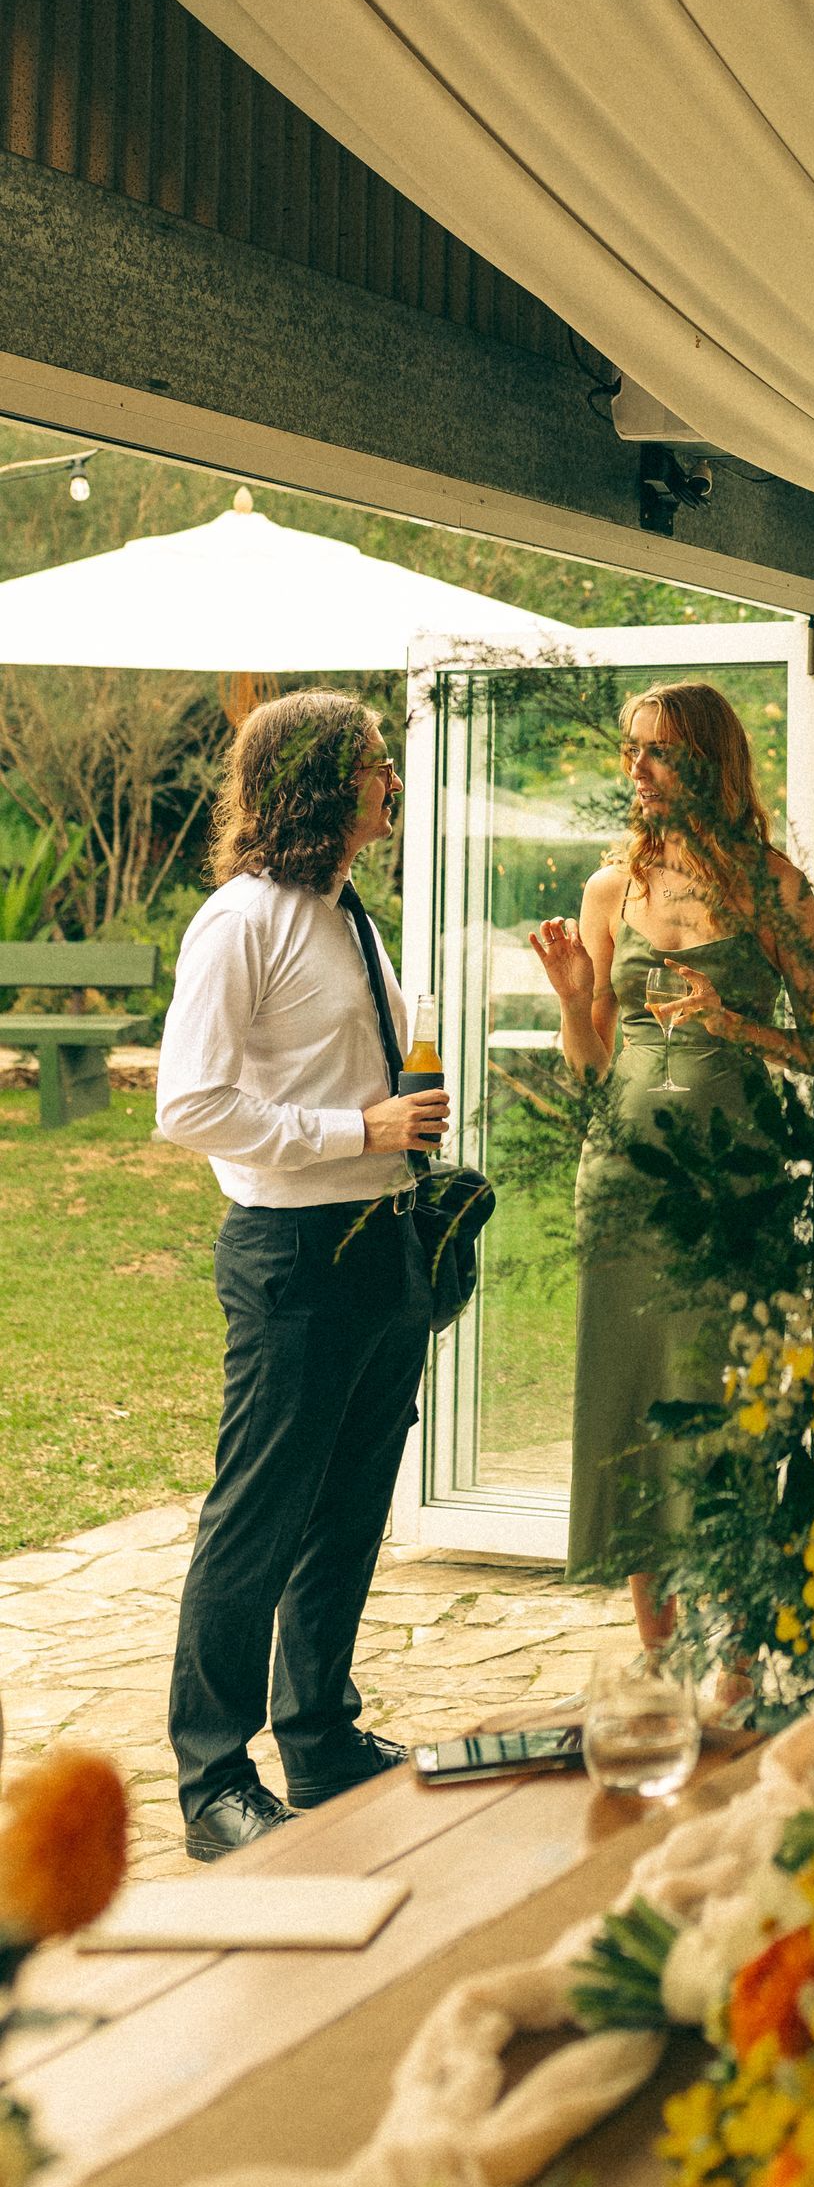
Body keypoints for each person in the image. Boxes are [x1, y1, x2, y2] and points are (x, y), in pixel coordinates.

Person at [157, 691, 446, 1862]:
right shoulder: (243, 921)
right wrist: (359, 1130)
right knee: (259, 1518)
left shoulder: (348, 913)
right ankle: (212, 1779)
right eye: (378, 762)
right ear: (330, 784)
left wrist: (402, 1134)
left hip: (385, 1248)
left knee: (348, 1510)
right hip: (291, 1260)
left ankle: (319, 1738)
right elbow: (192, 1104)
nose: (392, 776)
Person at [527, 680, 814, 1637]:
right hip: (621, 1184)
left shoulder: (777, 885)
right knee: (632, 1404)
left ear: (709, 761)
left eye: (657, 751)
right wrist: (576, 1002)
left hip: (734, 1183)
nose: (638, 771)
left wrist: (738, 1024)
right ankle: (661, 1661)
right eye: (631, 751)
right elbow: (594, 1069)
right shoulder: (611, 889)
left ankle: (735, 1655)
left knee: (721, 1401)